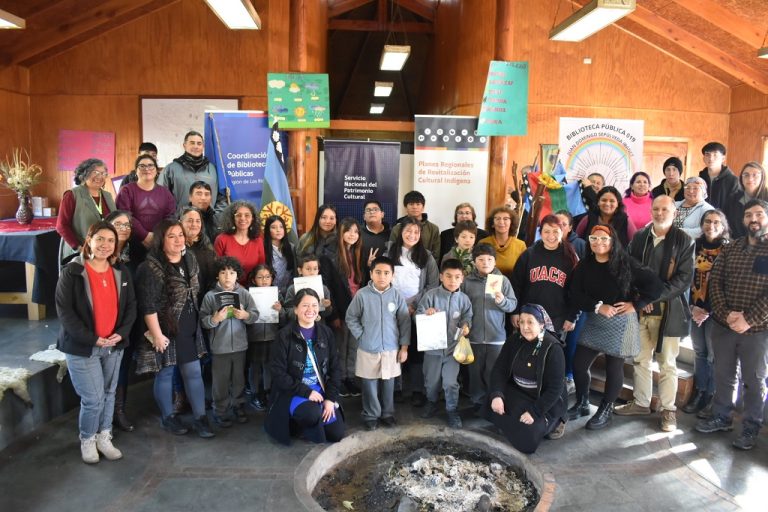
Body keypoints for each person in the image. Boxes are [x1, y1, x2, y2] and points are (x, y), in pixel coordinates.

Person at [56, 221, 137, 463]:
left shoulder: (121, 271)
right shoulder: (72, 271)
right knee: (93, 399)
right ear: (89, 240)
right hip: (83, 347)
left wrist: (121, 333)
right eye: (100, 239)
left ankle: (104, 436)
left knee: (110, 392)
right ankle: (88, 439)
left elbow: (131, 306)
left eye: (110, 240)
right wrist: (93, 339)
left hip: (114, 346)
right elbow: (64, 311)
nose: (105, 245)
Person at [567, 225, 662, 430]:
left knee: (614, 367)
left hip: (620, 323)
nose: (598, 243)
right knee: (579, 365)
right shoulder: (585, 265)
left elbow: (655, 285)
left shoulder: (625, 263)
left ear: (612, 242)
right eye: (594, 238)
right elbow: (574, 293)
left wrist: (635, 305)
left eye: (604, 239)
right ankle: (583, 402)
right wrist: (597, 306)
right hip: (595, 320)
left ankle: (606, 409)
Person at [614, 196, 694, 433]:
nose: (660, 213)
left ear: (674, 212)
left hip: (668, 311)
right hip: (641, 310)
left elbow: (683, 279)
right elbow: (627, 268)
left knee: (668, 363)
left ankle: (668, 410)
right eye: (656, 209)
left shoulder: (684, 241)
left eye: (665, 209)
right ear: (650, 211)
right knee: (640, 359)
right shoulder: (640, 237)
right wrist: (638, 297)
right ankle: (640, 402)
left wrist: (650, 298)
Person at [696, 199, 768, 451]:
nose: (753, 219)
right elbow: (715, 282)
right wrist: (726, 314)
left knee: (754, 379)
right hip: (723, 325)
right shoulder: (731, 248)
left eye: (758, 214)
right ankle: (722, 417)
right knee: (723, 374)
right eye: (749, 215)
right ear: (743, 220)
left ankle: (751, 427)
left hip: (757, 330)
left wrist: (748, 319)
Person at [135, 220, 214, 438]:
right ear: (161, 240)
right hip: (163, 329)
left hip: (189, 327)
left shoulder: (189, 258)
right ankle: (168, 417)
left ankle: (200, 418)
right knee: (166, 373)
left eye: (180, 235)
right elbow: (147, 305)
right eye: (172, 236)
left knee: (194, 372)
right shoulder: (149, 267)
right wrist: (157, 336)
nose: (178, 239)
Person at [265, 288, 346, 445]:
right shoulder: (284, 335)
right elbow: (278, 373)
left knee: (336, 433)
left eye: (314, 305)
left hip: (320, 388)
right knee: (312, 414)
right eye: (305, 306)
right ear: (295, 309)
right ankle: (295, 423)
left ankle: (313, 422)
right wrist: (306, 391)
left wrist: (330, 398)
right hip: (293, 391)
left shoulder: (325, 332)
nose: (311, 310)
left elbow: (335, 368)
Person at [486, 304, 567, 454]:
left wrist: (534, 412)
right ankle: (513, 424)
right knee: (492, 402)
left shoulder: (553, 349)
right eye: (522, 322)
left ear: (541, 324)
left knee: (529, 434)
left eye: (530, 322)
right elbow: (500, 369)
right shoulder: (514, 340)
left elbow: (555, 389)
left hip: (542, 400)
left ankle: (556, 422)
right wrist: (497, 395)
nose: (525, 327)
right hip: (518, 392)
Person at [345, 256, 411, 430]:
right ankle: (371, 415)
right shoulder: (362, 295)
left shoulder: (396, 295)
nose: (382, 276)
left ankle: (387, 414)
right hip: (368, 348)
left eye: (386, 273)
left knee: (389, 383)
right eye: (378, 272)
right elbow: (351, 317)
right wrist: (361, 335)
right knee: (369, 384)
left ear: (393, 275)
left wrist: (404, 347)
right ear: (371, 274)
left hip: (391, 348)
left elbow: (404, 322)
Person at [385, 217, 440, 406]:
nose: (412, 235)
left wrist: (414, 305)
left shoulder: (427, 256)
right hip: (392, 310)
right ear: (401, 232)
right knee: (393, 349)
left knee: (416, 352)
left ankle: (417, 390)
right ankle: (396, 388)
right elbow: (384, 280)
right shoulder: (390, 252)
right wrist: (400, 305)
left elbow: (432, 285)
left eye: (416, 232)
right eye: (409, 231)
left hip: (418, 311)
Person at [200, 257, 259, 427]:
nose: (227, 277)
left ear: (237, 275)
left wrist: (245, 315)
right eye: (223, 272)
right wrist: (215, 318)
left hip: (240, 346)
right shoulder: (210, 296)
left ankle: (238, 406)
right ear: (217, 275)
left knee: (239, 379)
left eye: (232, 273)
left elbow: (254, 314)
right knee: (221, 381)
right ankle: (220, 411)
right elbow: (203, 321)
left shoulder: (244, 294)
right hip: (220, 348)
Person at [681, 210, 729, 418]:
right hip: (694, 307)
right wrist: (693, 307)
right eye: (707, 221)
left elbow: (726, 284)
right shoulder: (694, 246)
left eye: (717, 222)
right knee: (700, 353)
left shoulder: (728, 249)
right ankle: (699, 392)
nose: (711, 225)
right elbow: (685, 277)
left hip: (715, 312)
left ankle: (711, 396)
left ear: (723, 225)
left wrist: (707, 309)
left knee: (713, 356)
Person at [417, 258, 473, 429]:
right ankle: (431, 401)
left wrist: (466, 326)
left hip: (453, 350)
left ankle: (451, 410)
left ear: (462, 278)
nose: (452, 280)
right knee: (431, 381)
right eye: (448, 276)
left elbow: (467, 317)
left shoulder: (464, 299)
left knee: (450, 382)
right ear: (441, 276)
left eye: (457, 277)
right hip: (432, 349)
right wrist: (426, 313)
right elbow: (418, 315)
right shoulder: (430, 296)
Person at [461, 244, 517, 413]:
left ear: (495, 261)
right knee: (475, 372)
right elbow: (462, 305)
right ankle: (477, 402)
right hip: (474, 336)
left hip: (496, 336)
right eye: (481, 259)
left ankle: (493, 402)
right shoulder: (467, 282)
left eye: (489, 259)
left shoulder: (503, 281)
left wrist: (502, 301)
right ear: (474, 261)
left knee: (494, 372)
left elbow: (513, 305)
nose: (485, 262)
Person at [511, 215, 578, 334]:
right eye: (546, 231)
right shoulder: (528, 255)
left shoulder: (570, 258)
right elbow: (516, 285)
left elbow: (577, 290)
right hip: (529, 316)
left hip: (558, 318)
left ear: (562, 232)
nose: (551, 236)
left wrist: (572, 317)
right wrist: (515, 312)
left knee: (551, 351)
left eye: (555, 231)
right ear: (540, 233)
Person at [104, 210, 138, 433]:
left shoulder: (138, 251)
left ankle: (118, 410)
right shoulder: (102, 252)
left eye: (127, 225)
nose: (124, 228)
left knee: (122, 366)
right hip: (104, 322)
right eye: (119, 224)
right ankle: (101, 417)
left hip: (129, 320)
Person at [116, 154, 176, 262]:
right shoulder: (126, 190)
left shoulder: (165, 192)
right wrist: (145, 235)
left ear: (156, 170)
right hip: (132, 244)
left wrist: (157, 236)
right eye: (142, 166)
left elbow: (170, 216)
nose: (146, 169)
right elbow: (124, 215)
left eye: (150, 165)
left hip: (159, 243)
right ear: (136, 170)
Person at [245, 264, 286, 411]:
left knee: (269, 365)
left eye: (267, 277)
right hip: (254, 337)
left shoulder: (277, 295)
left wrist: (280, 311)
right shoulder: (248, 295)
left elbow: (284, 319)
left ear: (272, 278)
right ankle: (256, 393)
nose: (264, 280)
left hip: (271, 336)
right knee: (254, 366)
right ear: (254, 279)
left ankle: (268, 391)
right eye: (260, 277)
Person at [57, 158, 116, 258]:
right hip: (79, 252)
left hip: (104, 252)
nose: (100, 176)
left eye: (103, 173)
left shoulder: (108, 196)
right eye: (95, 172)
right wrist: (79, 248)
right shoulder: (72, 195)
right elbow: (61, 226)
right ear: (84, 174)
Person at [158, 130, 227, 214]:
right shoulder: (170, 169)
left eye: (199, 143)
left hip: (209, 224)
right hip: (181, 223)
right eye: (192, 143)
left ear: (203, 146)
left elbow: (222, 195)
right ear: (184, 145)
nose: (196, 146)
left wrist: (216, 216)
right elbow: (160, 197)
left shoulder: (213, 169)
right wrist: (174, 219)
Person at [214, 200, 265, 285]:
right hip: (229, 288)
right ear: (232, 218)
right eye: (238, 215)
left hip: (253, 288)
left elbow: (261, 269)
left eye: (247, 215)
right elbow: (217, 269)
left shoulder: (258, 240)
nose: (243, 218)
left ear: (253, 218)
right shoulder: (221, 239)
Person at [697, 142, 741, 230]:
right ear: (704, 158)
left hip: (722, 228)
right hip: (702, 226)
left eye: (715, 155)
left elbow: (735, 210)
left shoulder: (733, 181)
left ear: (723, 158)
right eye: (707, 154)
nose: (711, 158)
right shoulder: (699, 179)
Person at [389, 190, 441, 261]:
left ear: (423, 207)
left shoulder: (433, 229)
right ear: (405, 207)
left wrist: (428, 269)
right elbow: (391, 252)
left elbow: (436, 255)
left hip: (426, 267)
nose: (414, 207)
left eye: (418, 204)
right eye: (411, 204)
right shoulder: (397, 229)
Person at [477, 206, 527, 279]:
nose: (501, 222)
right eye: (497, 219)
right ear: (492, 223)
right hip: (485, 286)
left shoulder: (520, 245)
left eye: (505, 219)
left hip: (513, 287)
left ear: (511, 223)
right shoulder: (483, 243)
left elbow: (524, 272)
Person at [284, 255, 334, 325]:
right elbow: (287, 310)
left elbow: (326, 313)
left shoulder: (324, 289)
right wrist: (300, 313)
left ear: (318, 271)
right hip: (297, 326)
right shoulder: (292, 289)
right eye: (308, 269)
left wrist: (328, 306)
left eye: (315, 269)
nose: (312, 272)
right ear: (300, 270)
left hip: (318, 326)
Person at [180, 206, 217, 298]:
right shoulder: (175, 247)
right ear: (180, 223)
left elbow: (212, 278)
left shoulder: (208, 248)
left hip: (205, 299)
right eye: (190, 220)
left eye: (198, 221)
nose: (194, 224)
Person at [726, 162, 768, 239]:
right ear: (741, 178)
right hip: (737, 246)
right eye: (746, 175)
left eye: (755, 175)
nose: (750, 179)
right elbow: (727, 224)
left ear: (762, 177)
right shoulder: (733, 199)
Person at [263, 215, 296, 293]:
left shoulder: (291, 247)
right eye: (273, 227)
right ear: (268, 230)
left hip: (289, 290)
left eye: (281, 227)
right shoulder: (262, 248)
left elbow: (294, 271)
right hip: (269, 290)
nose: (278, 230)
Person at [187, 181, 221, 246]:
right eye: (199, 194)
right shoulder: (182, 219)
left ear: (211, 198)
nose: (203, 198)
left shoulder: (217, 219)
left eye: (207, 194)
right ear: (190, 198)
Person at [360, 200, 391, 268]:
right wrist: (366, 264)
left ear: (382, 214)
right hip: (362, 276)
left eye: (375, 209)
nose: (372, 212)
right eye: (368, 210)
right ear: (364, 216)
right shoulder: (357, 234)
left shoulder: (392, 234)